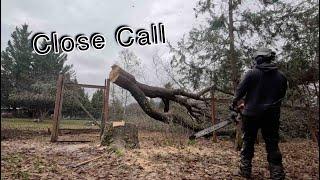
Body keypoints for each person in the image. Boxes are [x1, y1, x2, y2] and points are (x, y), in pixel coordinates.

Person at [232, 48, 288, 179]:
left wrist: (237, 105)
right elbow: (281, 95)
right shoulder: (281, 76)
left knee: (248, 141)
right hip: (272, 115)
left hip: (251, 114)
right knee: (272, 143)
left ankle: (245, 170)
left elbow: (238, 93)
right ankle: (277, 173)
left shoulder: (251, 74)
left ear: (259, 59)